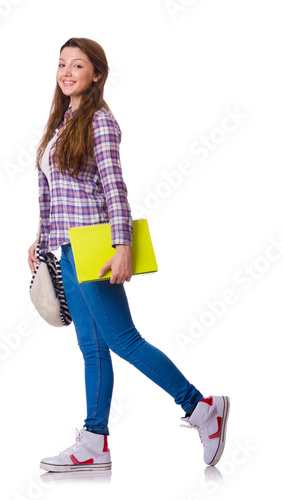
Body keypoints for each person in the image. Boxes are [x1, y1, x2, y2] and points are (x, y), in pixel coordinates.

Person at [27, 37, 230, 473]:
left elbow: (113, 186)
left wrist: (122, 246)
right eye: (61, 64)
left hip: (95, 246)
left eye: (77, 65)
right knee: (93, 348)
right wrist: (40, 239)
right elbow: (56, 194)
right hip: (67, 249)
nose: (66, 72)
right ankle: (94, 442)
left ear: (96, 74)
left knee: (123, 340)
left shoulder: (99, 120)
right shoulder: (61, 121)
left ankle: (202, 409)